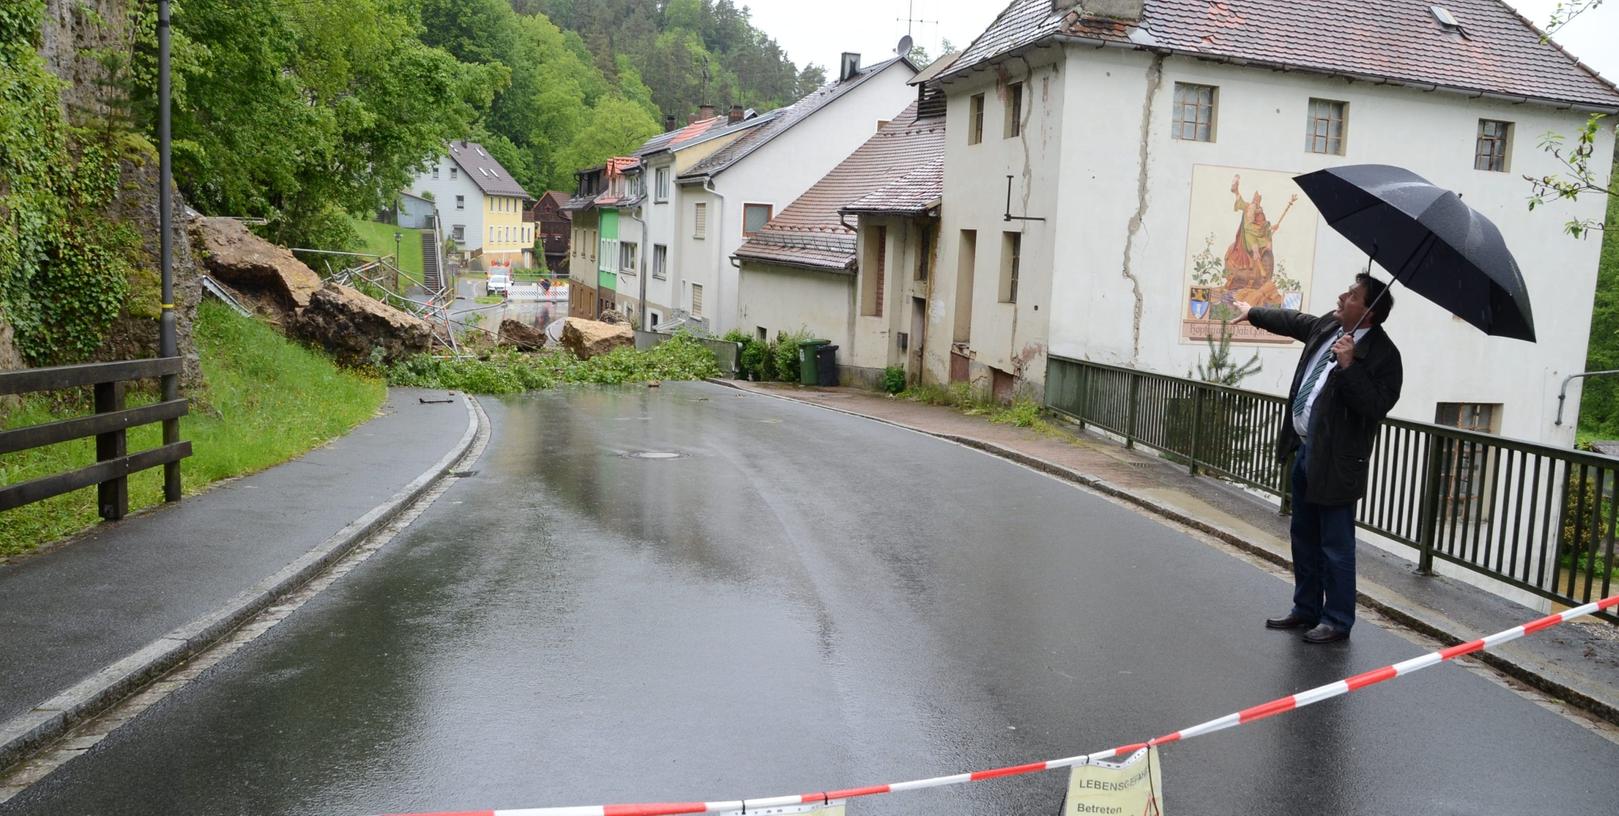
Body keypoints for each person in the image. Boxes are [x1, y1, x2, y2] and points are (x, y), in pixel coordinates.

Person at [1232, 273, 1402, 644]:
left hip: (1338, 464)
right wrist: (1254, 313)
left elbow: (1375, 406)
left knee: (1335, 547)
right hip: (1306, 450)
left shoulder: (1384, 356)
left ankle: (1337, 619)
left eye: (1353, 295)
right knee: (1303, 537)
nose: (1342, 296)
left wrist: (1349, 366)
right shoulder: (1329, 326)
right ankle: (1306, 608)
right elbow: (1296, 322)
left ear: (1369, 312)